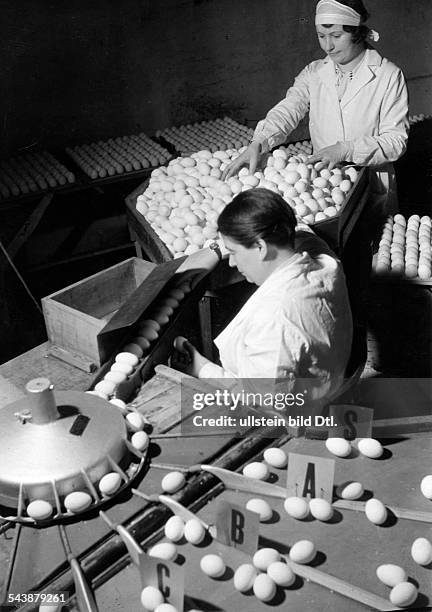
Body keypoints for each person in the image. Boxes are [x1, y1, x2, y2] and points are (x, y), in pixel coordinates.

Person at [222, 0, 409, 221]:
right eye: (321, 36)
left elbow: (396, 141)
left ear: (357, 33)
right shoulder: (315, 72)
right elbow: (289, 108)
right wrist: (259, 141)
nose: (328, 46)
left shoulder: (388, 75)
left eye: (336, 36)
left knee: (373, 247)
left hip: (372, 183)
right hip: (326, 184)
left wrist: (346, 149)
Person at [172, 188, 353, 403]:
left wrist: (201, 368)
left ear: (260, 246)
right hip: (331, 372)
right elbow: (301, 228)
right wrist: (221, 246)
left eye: (234, 252)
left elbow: (265, 403)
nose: (230, 262)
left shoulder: (275, 320)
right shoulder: (322, 259)